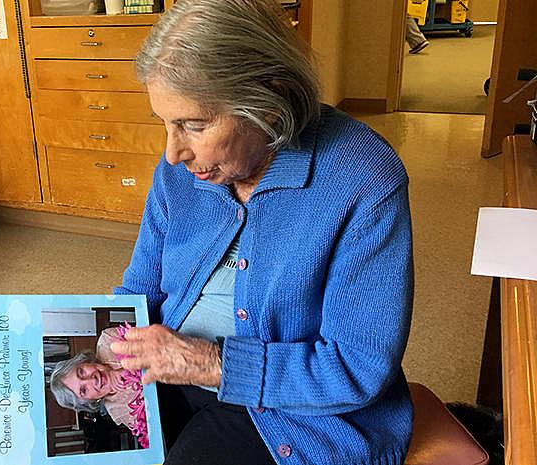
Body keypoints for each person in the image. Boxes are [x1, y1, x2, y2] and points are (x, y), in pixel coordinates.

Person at [108, 0, 415, 464]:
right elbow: (141, 288)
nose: (173, 153)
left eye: (193, 125)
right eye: (166, 125)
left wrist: (209, 363)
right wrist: (109, 333)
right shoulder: (180, 173)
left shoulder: (364, 179)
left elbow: (357, 369)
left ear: (269, 105)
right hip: (173, 368)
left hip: (295, 412)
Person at [50, 327, 148, 447]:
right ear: (89, 401)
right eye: (83, 390)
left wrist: (130, 368)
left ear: (84, 361)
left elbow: (155, 340)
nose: (92, 380)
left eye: (81, 372)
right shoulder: (117, 411)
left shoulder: (108, 341)